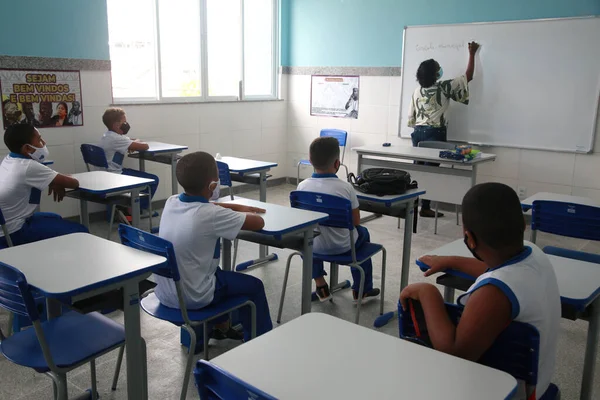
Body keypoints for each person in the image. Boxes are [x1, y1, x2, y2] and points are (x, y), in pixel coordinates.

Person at [400, 182, 560, 399]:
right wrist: (451, 261)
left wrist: (429, 294)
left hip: (507, 392)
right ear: (522, 225)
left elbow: (455, 353)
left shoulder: (494, 293)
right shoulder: (534, 253)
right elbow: (496, 267)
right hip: (535, 383)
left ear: (470, 239)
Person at [154, 151, 273, 341]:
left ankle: (221, 325)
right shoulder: (210, 215)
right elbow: (258, 223)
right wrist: (245, 211)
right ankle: (259, 342)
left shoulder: (171, 201)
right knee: (254, 286)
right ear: (211, 184)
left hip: (166, 292)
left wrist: (237, 207)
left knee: (215, 272)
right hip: (194, 296)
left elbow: (209, 207)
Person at [297, 136, 380, 302]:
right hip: (343, 247)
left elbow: (301, 221)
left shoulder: (302, 187)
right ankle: (361, 290)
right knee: (364, 233)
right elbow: (355, 222)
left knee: (306, 236)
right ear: (337, 163)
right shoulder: (346, 188)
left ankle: (321, 285)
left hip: (312, 247)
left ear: (310, 160)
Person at [409, 41, 480, 218]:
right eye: (438, 68)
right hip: (434, 134)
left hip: (418, 133)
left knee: (419, 170)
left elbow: (412, 117)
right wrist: (471, 54)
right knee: (431, 171)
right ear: (435, 74)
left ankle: (412, 205)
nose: (441, 70)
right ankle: (425, 207)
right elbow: (468, 77)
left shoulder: (417, 91)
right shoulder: (443, 87)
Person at [0, 124, 88, 249]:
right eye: (39, 139)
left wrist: (53, 181)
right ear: (27, 149)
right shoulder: (28, 166)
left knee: (56, 218)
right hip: (14, 231)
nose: (43, 142)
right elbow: (73, 183)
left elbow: (49, 177)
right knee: (81, 231)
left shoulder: (9, 159)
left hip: (7, 226)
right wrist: (57, 181)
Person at [99, 107, 158, 211]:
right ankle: (137, 211)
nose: (126, 124)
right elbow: (145, 146)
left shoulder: (108, 136)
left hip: (106, 175)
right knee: (153, 180)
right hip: (116, 176)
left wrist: (132, 144)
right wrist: (133, 144)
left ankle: (126, 210)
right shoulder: (117, 139)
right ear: (116, 125)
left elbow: (132, 140)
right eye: (124, 122)